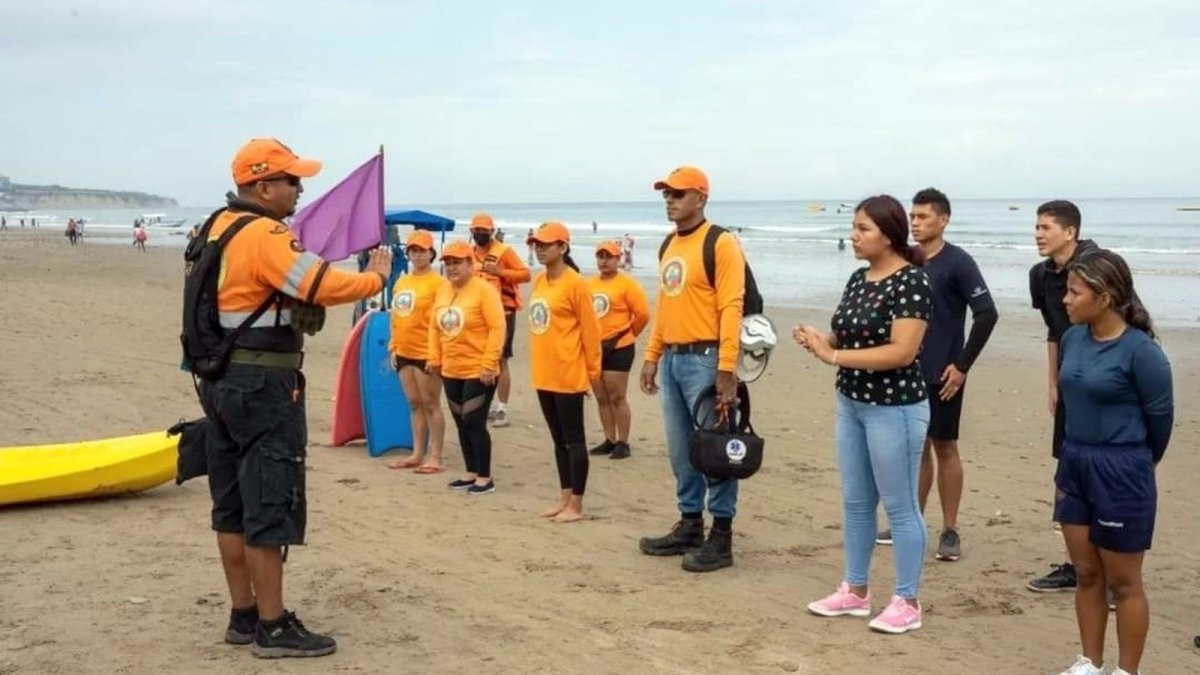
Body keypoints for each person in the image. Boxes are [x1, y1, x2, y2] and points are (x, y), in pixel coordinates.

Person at [198, 137, 393, 658]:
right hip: (263, 385)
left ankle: (242, 615)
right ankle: (273, 624)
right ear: (262, 186)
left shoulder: (213, 227)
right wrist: (376, 275)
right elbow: (321, 284)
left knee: (231, 505)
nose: (300, 188)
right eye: (291, 180)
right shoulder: (263, 233)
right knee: (269, 500)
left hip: (218, 383)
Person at [795, 195, 931, 635]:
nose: (853, 236)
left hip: (895, 409)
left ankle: (907, 600)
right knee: (856, 503)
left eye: (863, 229)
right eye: (854, 228)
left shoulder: (911, 282)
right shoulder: (858, 278)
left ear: (888, 234)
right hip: (851, 402)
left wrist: (832, 355)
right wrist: (824, 337)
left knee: (901, 506)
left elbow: (901, 351)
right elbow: (851, 333)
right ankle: (855, 591)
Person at [1052, 249, 1172, 675]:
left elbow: (1160, 426)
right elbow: (1069, 403)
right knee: (1086, 572)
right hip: (1075, 462)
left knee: (1123, 582)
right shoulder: (1072, 340)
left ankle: (1127, 671)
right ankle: (1090, 662)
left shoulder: (1142, 352)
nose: (1066, 299)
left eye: (1074, 291)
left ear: (1104, 297)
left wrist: (1132, 466)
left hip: (1123, 469)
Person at [875, 189, 998, 561]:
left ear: (943, 220)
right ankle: (909, 523)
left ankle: (950, 529)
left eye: (923, 217)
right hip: (904, 371)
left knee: (945, 446)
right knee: (915, 449)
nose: (915, 223)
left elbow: (987, 313)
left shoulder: (958, 262)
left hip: (942, 374)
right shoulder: (904, 261)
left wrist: (961, 366)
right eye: (912, 216)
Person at [638, 166, 745, 573]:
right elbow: (666, 305)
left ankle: (721, 535)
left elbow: (731, 305)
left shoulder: (721, 243)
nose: (670, 200)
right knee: (682, 450)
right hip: (673, 358)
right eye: (666, 194)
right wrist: (652, 354)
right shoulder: (668, 245)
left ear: (700, 198)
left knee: (716, 450)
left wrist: (727, 367)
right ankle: (689, 523)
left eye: (678, 194)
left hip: (707, 358)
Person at [1026, 200, 1099, 594]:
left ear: (1069, 232)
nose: (1038, 233)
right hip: (1070, 382)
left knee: (1100, 472)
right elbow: (1055, 330)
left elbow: (1124, 320)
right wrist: (1053, 381)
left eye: (1046, 227)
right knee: (1067, 470)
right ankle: (1076, 566)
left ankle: (1106, 573)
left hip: (1104, 381)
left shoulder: (1097, 265)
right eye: (1036, 227)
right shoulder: (1040, 276)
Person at [526, 221, 602, 522]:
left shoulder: (576, 284)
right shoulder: (540, 282)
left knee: (574, 441)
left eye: (546, 244)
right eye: (537, 244)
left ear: (563, 247)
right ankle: (564, 497)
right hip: (544, 372)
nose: (540, 249)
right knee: (558, 441)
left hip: (569, 373)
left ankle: (577, 505)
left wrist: (591, 373)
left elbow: (591, 332)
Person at [428, 240, 506, 495]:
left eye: (457, 263)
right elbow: (434, 327)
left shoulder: (484, 290)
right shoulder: (443, 290)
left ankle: (485, 476)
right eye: (448, 263)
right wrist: (434, 357)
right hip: (451, 368)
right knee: (461, 421)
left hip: (479, 369)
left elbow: (497, 327)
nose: (452, 268)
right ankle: (470, 472)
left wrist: (489, 363)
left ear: (470, 263)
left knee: (474, 421)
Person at [386, 230, 449, 474]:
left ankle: (436, 456)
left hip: (427, 352)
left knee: (431, 403)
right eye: (413, 250)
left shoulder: (439, 284)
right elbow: (396, 317)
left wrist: (437, 354)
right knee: (414, 403)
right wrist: (393, 346)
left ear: (431, 253)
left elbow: (441, 321)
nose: (417, 255)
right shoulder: (402, 281)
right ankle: (417, 453)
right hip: (403, 350)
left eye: (422, 250)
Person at [587, 240, 651, 460]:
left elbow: (642, 314)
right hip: (595, 347)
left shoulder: (627, 284)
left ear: (617, 259)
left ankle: (623, 442)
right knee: (601, 396)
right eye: (600, 256)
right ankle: (609, 438)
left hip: (619, 346)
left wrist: (627, 334)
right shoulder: (589, 284)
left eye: (608, 257)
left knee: (616, 396)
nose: (604, 261)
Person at [468, 213, 531, 428]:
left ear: (492, 232)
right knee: (482, 358)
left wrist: (501, 272)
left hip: (503, 313)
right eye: (477, 231)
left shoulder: (503, 252)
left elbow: (525, 274)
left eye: (484, 231)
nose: (480, 234)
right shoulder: (469, 253)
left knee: (500, 360)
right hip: (477, 315)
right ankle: (486, 404)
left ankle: (502, 408)